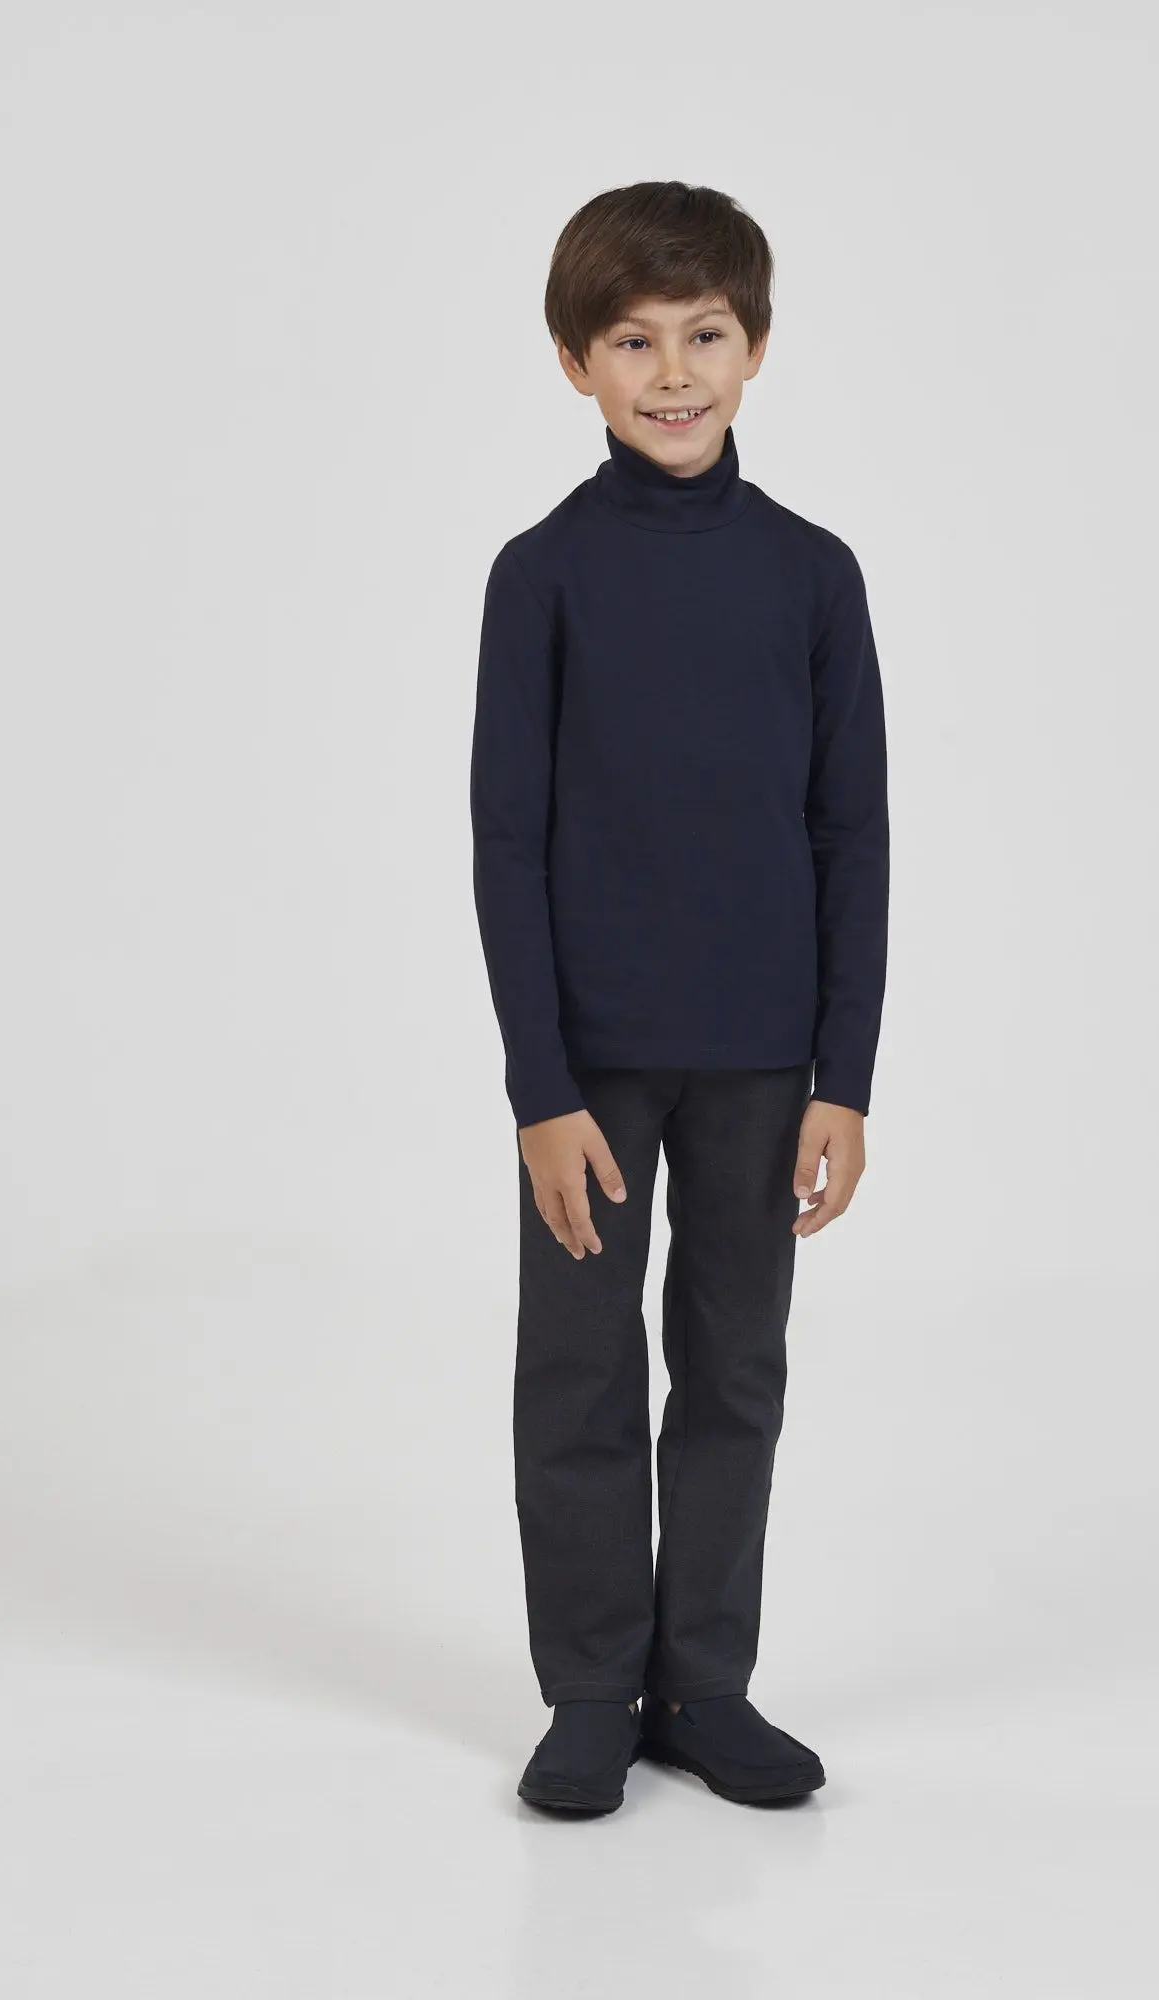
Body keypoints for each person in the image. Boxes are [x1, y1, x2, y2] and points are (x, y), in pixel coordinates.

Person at [468, 180, 889, 1814]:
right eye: (631, 341)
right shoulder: (541, 577)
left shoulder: (811, 574)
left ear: (755, 346)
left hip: (764, 1069)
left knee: (731, 1374)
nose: (671, 373)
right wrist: (538, 1090)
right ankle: (591, 1690)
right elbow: (506, 843)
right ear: (574, 362)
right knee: (577, 1379)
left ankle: (703, 1683)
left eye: (702, 334)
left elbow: (851, 830)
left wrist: (840, 1076)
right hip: (591, 1075)